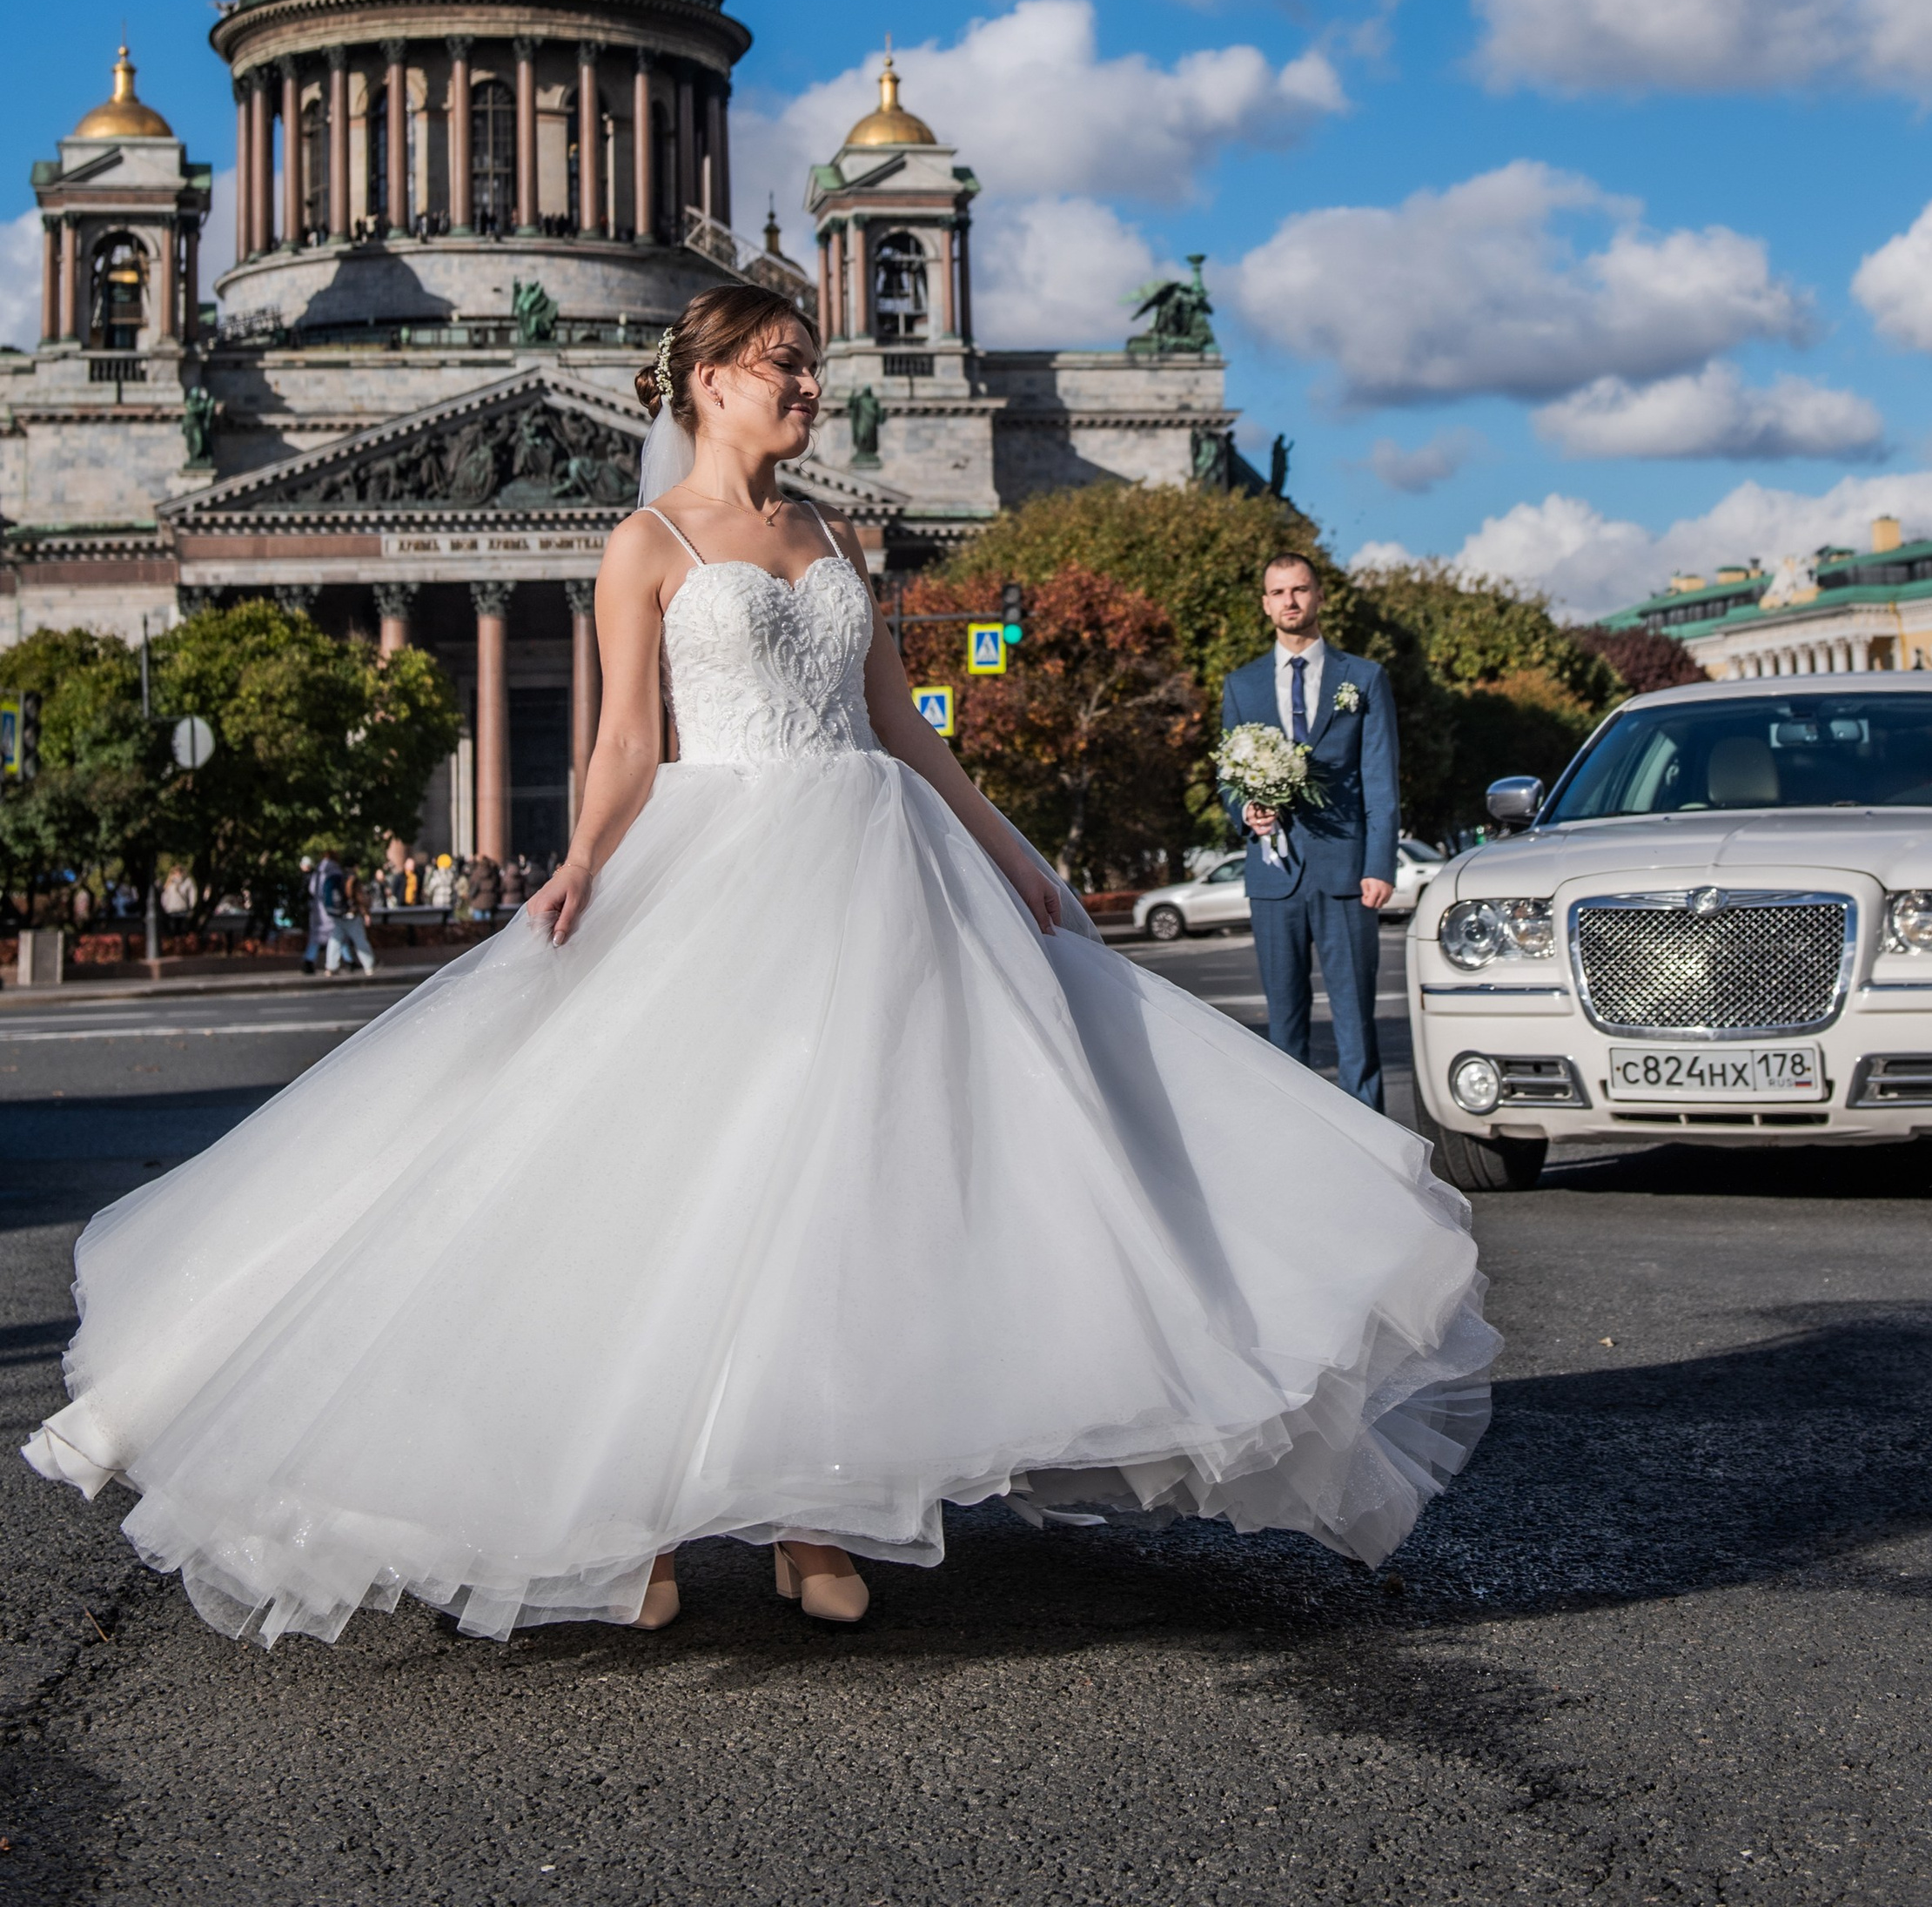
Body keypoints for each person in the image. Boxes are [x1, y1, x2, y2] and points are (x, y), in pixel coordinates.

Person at [23, 282, 1495, 1650]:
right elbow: (617, 743)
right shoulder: (642, 543)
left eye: (814, 365)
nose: (812, 383)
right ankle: (639, 1511)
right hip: (720, 862)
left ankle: (812, 1508)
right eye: (786, 365)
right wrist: (587, 863)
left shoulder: (833, 536)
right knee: (674, 1184)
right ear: (710, 380)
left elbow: (908, 726)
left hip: (875, 856)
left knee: (852, 1181)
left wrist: (1019, 853)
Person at [1221, 554, 1398, 1111]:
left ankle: (1378, 1154)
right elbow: (1227, 776)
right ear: (1265, 603)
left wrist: (1379, 865)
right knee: (1285, 1030)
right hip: (1273, 879)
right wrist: (1246, 812)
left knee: (1355, 1027)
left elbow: (1380, 778)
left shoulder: (1362, 678)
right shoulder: (1242, 685)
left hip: (1347, 874)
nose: (1290, 601)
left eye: (1300, 590)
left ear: (1319, 597)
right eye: (1279, 592)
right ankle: (1300, 1153)